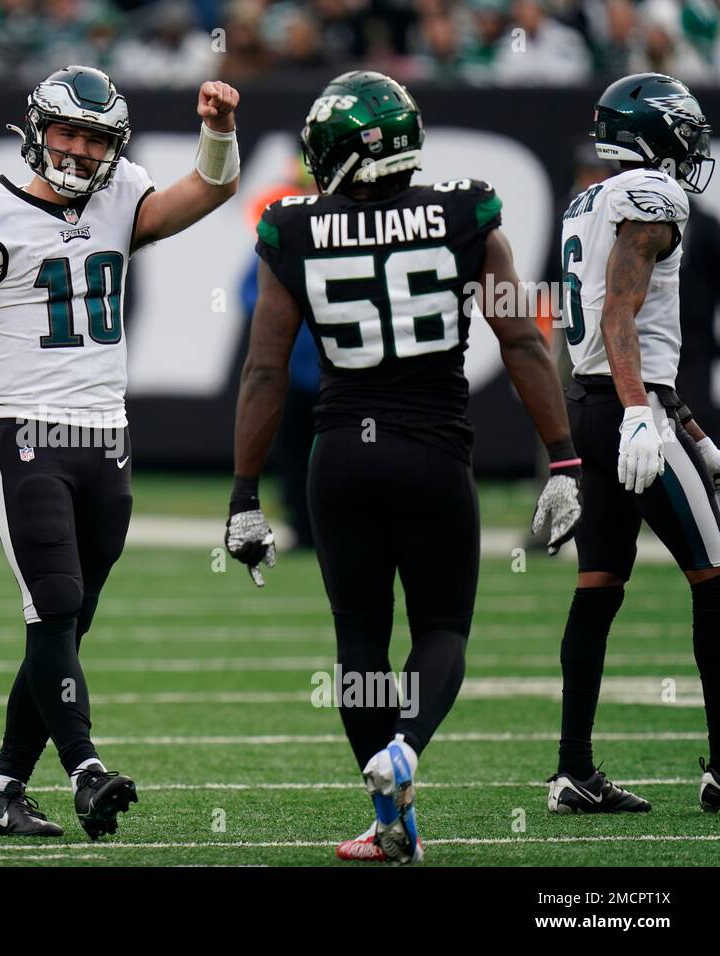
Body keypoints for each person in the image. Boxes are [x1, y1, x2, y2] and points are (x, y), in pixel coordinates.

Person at [224, 70, 580, 863]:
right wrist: (563, 459)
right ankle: (408, 748)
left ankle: (387, 817)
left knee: (359, 642)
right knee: (443, 626)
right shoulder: (465, 210)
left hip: (340, 454)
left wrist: (246, 496)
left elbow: (263, 372)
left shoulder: (293, 225)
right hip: (433, 450)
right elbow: (520, 338)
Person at [0, 65, 240, 839]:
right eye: (68, 132)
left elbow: (208, 189)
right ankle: (86, 769)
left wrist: (219, 131)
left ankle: (3, 793)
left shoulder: (122, 194)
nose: (81, 149)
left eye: (95, 137)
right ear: (37, 129)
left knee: (65, 625)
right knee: (54, 604)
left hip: (107, 437)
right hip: (27, 431)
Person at [547, 72, 720, 816]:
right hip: (625, 408)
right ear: (653, 132)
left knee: (598, 592)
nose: (693, 142)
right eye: (683, 126)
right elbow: (620, 315)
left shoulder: (590, 198)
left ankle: (572, 773)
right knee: (716, 575)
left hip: (598, 408)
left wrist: (689, 429)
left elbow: (629, 332)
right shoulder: (653, 194)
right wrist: (640, 415)